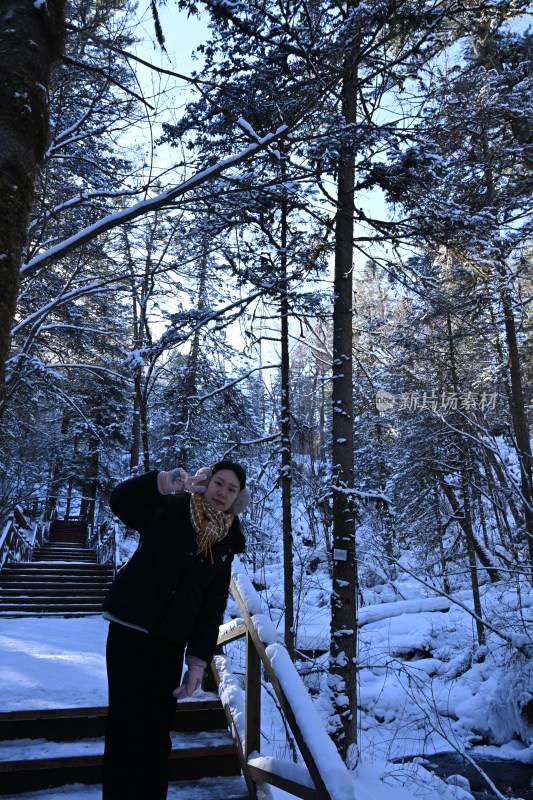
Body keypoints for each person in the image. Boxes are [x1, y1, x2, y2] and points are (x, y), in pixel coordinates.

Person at [101, 460, 249, 800]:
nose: (223, 493)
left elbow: (211, 607)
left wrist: (198, 662)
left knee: (157, 733)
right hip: (130, 631)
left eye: (232, 490)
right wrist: (166, 482)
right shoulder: (171, 508)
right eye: (219, 483)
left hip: (169, 642)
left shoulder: (225, 544)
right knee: (125, 727)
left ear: (239, 498)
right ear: (206, 482)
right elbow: (120, 501)